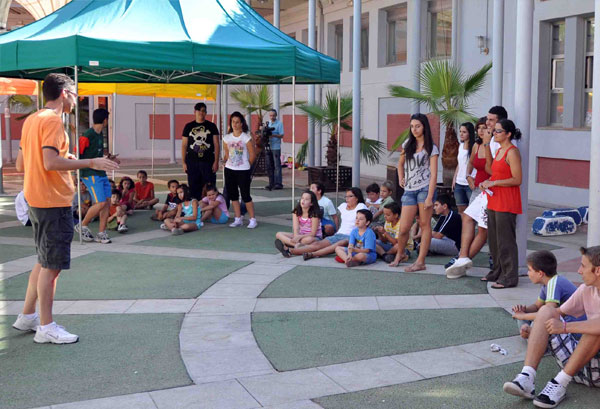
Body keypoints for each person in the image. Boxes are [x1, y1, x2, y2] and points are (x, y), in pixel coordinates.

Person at [11, 72, 118, 344]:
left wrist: (65, 158)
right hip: (52, 201)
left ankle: (27, 316)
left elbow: (23, 165)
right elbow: (49, 162)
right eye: (74, 93)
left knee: (43, 260)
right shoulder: (53, 121)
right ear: (64, 93)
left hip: (35, 199)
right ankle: (46, 327)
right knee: (52, 267)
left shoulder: (33, 119)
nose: (76, 98)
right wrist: (89, 163)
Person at [503, 246, 600, 408]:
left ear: (597, 270)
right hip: (581, 367)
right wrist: (535, 330)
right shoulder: (586, 290)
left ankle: (560, 383)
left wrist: (564, 327)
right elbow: (554, 312)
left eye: (583, 266)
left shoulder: (556, 282)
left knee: (595, 329)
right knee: (547, 310)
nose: (579, 271)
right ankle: (527, 376)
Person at [445, 113, 500, 278]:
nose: (482, 131)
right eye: (480, 128)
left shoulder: (493, 145)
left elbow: (493, 171)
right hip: (478, 188)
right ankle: (463, 256)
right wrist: (469, 176)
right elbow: (470, 163)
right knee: (468, 218)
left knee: (484, 229)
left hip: (491, 189)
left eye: (485, 127)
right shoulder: (477, 145)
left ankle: (467, 258)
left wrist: (487, 145)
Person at [391, 113, 439, 271]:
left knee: (425, 225)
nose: (414, 129)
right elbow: (400, 164)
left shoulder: (431, 147)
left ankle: (421, 262)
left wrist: (430, 197)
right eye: (412, 126)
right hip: (409, 190)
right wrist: (400, 178)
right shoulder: (407, 144)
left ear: (424, 126)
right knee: (404, 228)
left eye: (417, 126)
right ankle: (400, 255)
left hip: (425, 189)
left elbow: (433, 174)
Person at [480, 118, 523, 289]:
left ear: (508, 134)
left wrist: (494, 183)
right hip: (494, 200)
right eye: (494, 130)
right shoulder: (499, 151)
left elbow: (517, 179)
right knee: (495, 240)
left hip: (506, 201)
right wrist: (486, 145)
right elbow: (491, 171)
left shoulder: (512, 152)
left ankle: (510, 276)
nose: (494, 133)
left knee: (506, 241)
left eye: (498, 131)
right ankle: (498, 271)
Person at [511, 250, 583, 340]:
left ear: (540, 273)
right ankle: (532, 334)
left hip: (573, 330)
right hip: (562, 323)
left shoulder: (555, 283)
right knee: (524, 318)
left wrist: (523, 316)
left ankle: (536, 338)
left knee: (536, 321)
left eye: (529, 270)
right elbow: (537, 306)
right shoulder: (547, 283)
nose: (527, 273)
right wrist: (524, 310)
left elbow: (548, 314)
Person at [286, 187, 367, 260]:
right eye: (346, 196)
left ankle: (303, 253)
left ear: (357, 198)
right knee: (318, 244)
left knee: (338, 244)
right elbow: (337, 218)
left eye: (350, 196)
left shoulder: (361, 206)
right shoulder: (343, 206)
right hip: (339, 234)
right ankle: (291, 250)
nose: (347, 198)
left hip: (351, 236)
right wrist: (336, 230)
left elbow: (367, 220)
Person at [76, 108, 113, 244]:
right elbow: (78, 155)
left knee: (107, 202)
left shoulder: (99, 134)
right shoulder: (87, 135)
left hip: (100, 171)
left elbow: (96, 154)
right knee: (100, 202)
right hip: (90, 173)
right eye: (107, 119)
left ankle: (101, 232)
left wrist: (108, 158)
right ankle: (82, 225)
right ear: (104, 120)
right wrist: (77, 174)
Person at [223, 111, 257, 229]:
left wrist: (247, 166)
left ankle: (252, 219)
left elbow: (253, 154)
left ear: (242, 123)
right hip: (229, 169)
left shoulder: (246, 138)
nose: (235, 124)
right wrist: (225, 161)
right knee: (233, 195)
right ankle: (238, 218)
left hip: (243, 170)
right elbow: (227, 154)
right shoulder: (226, 138)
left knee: (245, 195)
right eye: (233, 122)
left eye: (237, 122)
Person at [181, 102, 220, 200]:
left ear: (206, 112)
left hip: (207, 161)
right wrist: (183, 162)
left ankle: (209, 206)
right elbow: (184, 145)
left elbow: (216, 145)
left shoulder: (212, 126)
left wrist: (216, 162)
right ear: (195, 112)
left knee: (208, 185)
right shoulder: (188, 126)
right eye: (199, 110)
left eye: (203, 111)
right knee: (193, 185)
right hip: (192, 161)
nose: (201, 113)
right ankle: (196, 208)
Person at [274, 190, 322, 257]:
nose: (303, 200)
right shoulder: (296, 212)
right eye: (302, 198)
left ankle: (289, 245)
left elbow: (313, 233)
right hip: (300, 235)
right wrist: (296, 236)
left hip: (313, 237)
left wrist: (299, 237)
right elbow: (296, 228)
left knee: (307, 240)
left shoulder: (314, 214)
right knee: (278, 234)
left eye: (306, 199)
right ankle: (296, 245)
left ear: (311, 203)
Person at [452, 122, 476, 214]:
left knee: (472, 211)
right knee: (461, 210)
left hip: (470, 183)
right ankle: (463, 228)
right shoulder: (460, 146)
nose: (461, 134)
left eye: (464, 132)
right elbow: (460, 163)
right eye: (460, 131)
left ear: (470, 133)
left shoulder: (475, 147)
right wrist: (454, 178)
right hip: (459, 183)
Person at [262, 109, 285, 190]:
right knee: (269, 165)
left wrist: (274, 136)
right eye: (270, 115)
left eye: (273, 115)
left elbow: (282, 135)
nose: (272, 117)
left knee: (277, 165)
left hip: (276, 147)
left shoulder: (279, 124)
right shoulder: (267, 124)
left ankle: (278, 183)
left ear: (276, 115)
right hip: (268, 146)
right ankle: (271, 183)